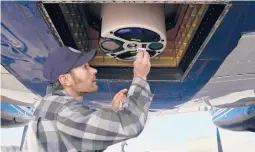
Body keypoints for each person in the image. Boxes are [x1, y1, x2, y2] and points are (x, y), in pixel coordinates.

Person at [25, 46, 153, 152]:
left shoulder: (52, 107)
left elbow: (85, 143)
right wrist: (140, 76)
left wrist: (112, 110)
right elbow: (130, 124)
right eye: (85, 67)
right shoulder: (63, 111)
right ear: (65, 80)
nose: (94, 70)